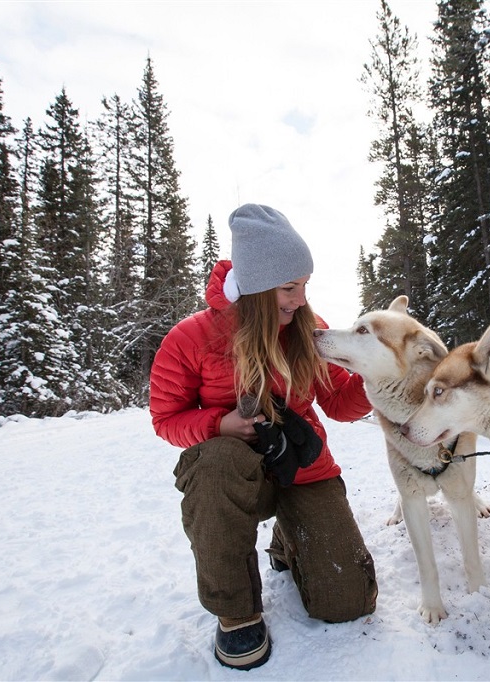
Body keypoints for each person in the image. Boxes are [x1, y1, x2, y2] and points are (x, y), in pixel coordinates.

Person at [149, 203, 378, 671]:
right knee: (212, 463)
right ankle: (235, 612)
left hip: (302, 467)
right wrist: (218, 425)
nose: (299, 299)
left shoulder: (306, 331)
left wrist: (380, 379)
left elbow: (338, 403)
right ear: (255, 289)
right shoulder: (189, 339)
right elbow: (166, 418)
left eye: (304, 286)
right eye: (288, 287)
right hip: (233, 474)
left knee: (348, 602)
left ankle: (289, 539)